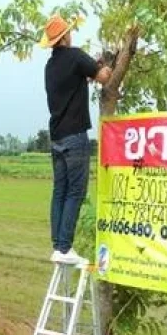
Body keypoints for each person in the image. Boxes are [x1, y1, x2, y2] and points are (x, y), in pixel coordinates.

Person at [41, 14, 112, 264]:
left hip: (57, 137)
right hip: (75, 137)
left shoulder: (51, 66)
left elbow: (83, 75)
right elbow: (102, 77)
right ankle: (65, 247)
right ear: (66, 36)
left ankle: (57, 245)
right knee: (76, 192)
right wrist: (106, 68)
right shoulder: (75, 56)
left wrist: (93, 67)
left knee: (59, 190)